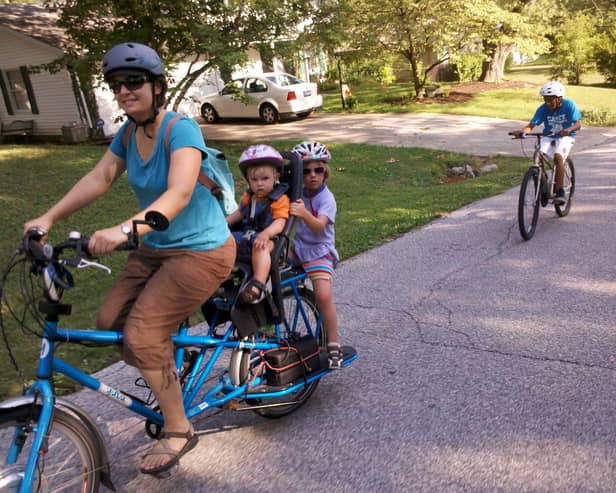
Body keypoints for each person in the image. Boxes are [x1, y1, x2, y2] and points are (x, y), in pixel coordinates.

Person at [23, 42, 236, 476]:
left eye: (133, 81)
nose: (123, 91)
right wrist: (47, 217)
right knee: (108, 321)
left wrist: (123, 231)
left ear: (158, 87)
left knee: (140, 334)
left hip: (202, 249)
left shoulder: (182, 129)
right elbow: (100, 177)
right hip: (156, 249)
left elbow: (177, 193)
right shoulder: (128, 133)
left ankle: (178, 427)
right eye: (116, 84)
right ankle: (168, 367)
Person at [288, 141, 343, 369]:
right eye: (306, 170)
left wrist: (302, 212)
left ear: (325, 172)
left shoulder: (326, 199)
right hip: (298, 247)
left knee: (323, 297)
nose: (312, 175)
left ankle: (333, 344)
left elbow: (319, 226)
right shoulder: (298, 192)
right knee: (269, 268)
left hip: (320, 252)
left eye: (318, 170)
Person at [225, 144, 290, 303]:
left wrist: (266, 234)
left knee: (260, 247)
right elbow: (239, 213)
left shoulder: (279, 199)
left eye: (265, 178)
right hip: (247, 235)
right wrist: (223, 224)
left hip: (270, 240)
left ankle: (258, 285)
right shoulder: (250, 197)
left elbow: (280, 223)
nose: (259, 184)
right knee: (223, 241)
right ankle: (223, 276)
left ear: (276, 176)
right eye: (254, 179)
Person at [511, 80, 582, 205]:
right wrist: (522, 132)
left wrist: (568, 130)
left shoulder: (569, 105)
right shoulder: (543, 108)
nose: (548, 103)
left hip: (566, 136)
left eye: (551, 99)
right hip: (549, 136)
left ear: (559, 98)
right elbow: (531, 125)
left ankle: (560, 192)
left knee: (558, 157)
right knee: (537, 155)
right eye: (545, 99)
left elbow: (578, 124)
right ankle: (543, 182)